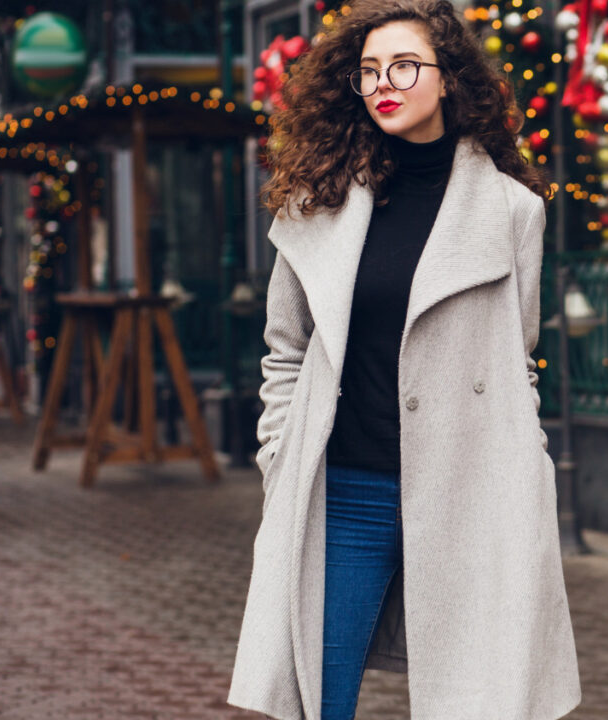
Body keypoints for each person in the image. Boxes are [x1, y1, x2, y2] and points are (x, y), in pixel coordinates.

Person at [226, 1, 582, 718]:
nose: (385, 83)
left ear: (448, 78)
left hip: (468, 491)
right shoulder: (316, 202)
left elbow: (517, 359)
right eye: (369, 72)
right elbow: (285, 350)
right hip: (344, 494)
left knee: (475, 701)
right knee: (314, 700)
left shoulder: (513, 211)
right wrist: (282, 459)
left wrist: (526, 472)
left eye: (405, 66)